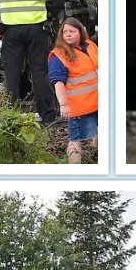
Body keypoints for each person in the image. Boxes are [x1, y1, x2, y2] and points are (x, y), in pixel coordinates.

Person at [47, 17, 98, 164]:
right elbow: (58, 83)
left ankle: (98, 156)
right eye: (65, 32)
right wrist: (64, 105)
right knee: (76, 140)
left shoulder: (89, 45)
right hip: (78, 108)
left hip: (98, 102)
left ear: (80, 32)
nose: (68, 34)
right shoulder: (59, 56)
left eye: (72, 31)